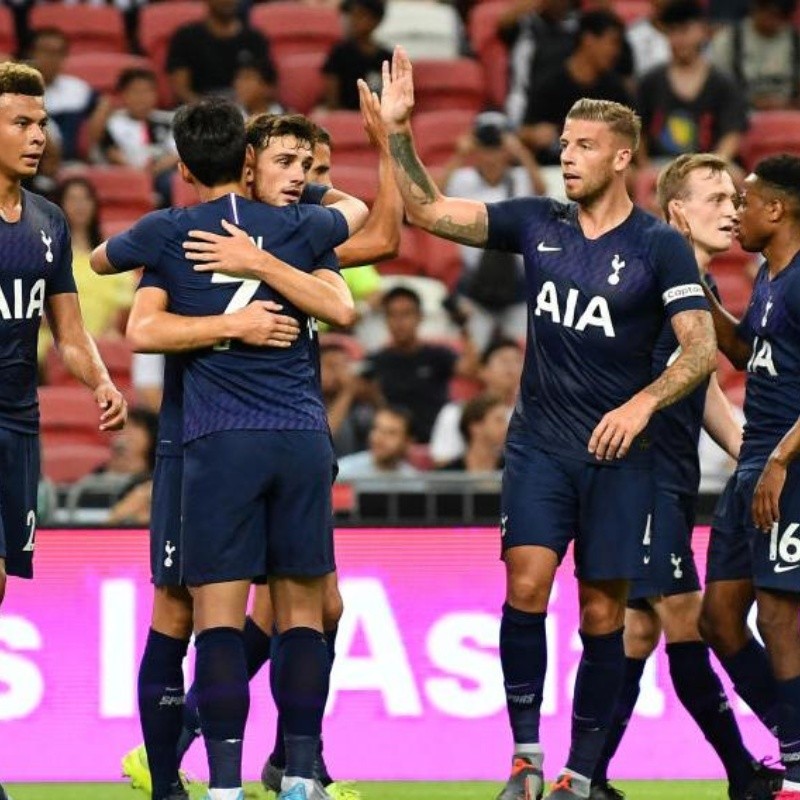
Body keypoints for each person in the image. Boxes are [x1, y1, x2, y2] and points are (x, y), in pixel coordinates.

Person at [372, 47, 717, 800]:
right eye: (562, 144)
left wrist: (640, 403)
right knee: (526, 585)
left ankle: (581, 774)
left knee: (603, 609)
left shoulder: (659, 247)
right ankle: (525, 759)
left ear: (622, 157)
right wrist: (399, 133)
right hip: (540, 446)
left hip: (622, 454)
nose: (566, 156)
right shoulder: (537, 223)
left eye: (583, 146)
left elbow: (701, 349)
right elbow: (430, 210)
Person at [111, 96, 399, 800]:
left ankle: (276, 771)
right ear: (245, 163)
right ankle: (177, 762)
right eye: (288, 161)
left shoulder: (283, 230)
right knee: (197, 611)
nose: (302, 175)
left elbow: (367, 257)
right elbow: (139, 324)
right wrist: (236, 322)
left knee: (301, 608)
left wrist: (260, 258)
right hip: (198, 441)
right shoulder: (191, 235)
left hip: (270, 438)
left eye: (311, 165)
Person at [590, 153, 782, 800]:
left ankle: (584, 775)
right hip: (638, 477)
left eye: (736, 198)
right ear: (677, 211)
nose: (733, 209)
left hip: (666, 480)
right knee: (689, 620)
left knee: (640, 631)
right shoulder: (646, 280)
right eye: (717, 198)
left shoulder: (698, 289)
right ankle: (757, 762)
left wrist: (750, 453)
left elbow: (698, 388)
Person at [0, 61, 127, 797]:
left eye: (41, 123)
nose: (36, 136)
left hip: (18, 426)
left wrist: (101, 380)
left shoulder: (48, 223)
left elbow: (68, 332)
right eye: (20, 122)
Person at [699, 154, 800, 800]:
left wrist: (783, 460)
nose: (735, 212)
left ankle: (795, 769)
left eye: (745, 201)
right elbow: (744, 351)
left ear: (777, 209)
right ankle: (795, 736)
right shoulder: (767, 275)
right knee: (720, 619)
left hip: (788, 466)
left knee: (781, 616)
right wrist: (694, 287)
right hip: (754, 464)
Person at [440, 112, 544, 351]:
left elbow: (541, 190)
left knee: (523, 354)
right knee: (472, 353)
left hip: (517, 283)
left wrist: (522, 153)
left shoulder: (520, 178)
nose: (491, 156)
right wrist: (459, 155)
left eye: (497, 147)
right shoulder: (462, 179)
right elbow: (431, 198)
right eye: (486, 148)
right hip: (476, 284)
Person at [365, 285, 479, 443]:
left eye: (406, 314)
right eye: (392, 315)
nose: (399, 322)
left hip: (439, 443)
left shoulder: (437, 354)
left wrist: (463, 326)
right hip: (397, 446)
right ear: (385, 320)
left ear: (420, 317)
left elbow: (471, 370)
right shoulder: (376, 360)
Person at [637, 0, 748, 162]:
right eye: (672, 32)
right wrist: (644, 166)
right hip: (659, 165)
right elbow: (637, 131)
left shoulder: (723, 83)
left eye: (684, 30)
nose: (678, 39)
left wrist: (716, 163)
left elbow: (732, 133)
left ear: (702, 31)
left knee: (736, 176)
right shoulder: (650, 81)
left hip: (708, 162)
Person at [519, 9, 633, 168]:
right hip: (554, 172)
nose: (616, 52)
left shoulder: (614, 89)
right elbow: (523, 133)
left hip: (600, 173)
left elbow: (630, 136)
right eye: (612, 42)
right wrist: (533, 135)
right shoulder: (550, 84)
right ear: (589, 40)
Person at [430, 336, 522, 466]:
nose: (512, 367)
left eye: (518, 361)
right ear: (483, 371)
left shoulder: (533, 416)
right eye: (504, 360)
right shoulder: (455, 413)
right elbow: (442, 463)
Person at [166, 0, 275, 105]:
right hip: (198, 111)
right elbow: (180, 89)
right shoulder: (185, 37)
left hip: (245, 111)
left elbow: (267, 84)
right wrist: (208, 112)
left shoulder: (255, 38)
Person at [26, 27, 109, 161]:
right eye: (45, 51)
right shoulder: (17, 89)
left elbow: (104, 103)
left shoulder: (77, 88)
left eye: (58, 53)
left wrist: (89, 141)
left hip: (72, 163)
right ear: (32, 54)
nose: (51, 59)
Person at [99, 68, 179, 206]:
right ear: (123, 95)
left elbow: (177, 154)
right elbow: (113, 154)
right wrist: (141, 175)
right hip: (128, 177)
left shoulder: (169, 120)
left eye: (148, 91)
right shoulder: (113, 124)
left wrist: (153, 171)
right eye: (136, 92)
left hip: (163, 176)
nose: (142, 97)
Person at [710, 0, 800, 111]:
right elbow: (716, 88)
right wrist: (751, 102)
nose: (773, 22)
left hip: (788, 114)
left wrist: (789, 104)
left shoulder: (796, 41)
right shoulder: (727, 41)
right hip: (740, 114)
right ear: (755, 9)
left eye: (780, 17)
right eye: (770, 14)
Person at [321, 0, 392, 111]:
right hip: (344, 116)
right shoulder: (340, 52)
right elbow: (332, 97)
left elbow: (390, 96)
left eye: (360, 15)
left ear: (376, 20)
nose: (353, 21)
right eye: (352, 15)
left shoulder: (386, 57)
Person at [336, 405, 418, 479]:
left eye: (391, 433)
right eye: (376, 429)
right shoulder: (342, 473)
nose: (380, 438)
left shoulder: (416, 481)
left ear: (408, 442)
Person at [436, 392, 507, 472]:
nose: (506, 427)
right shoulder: (448, 475)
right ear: (476, 427)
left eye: (505, 421)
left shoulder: (515, 469)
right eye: (499, 420)